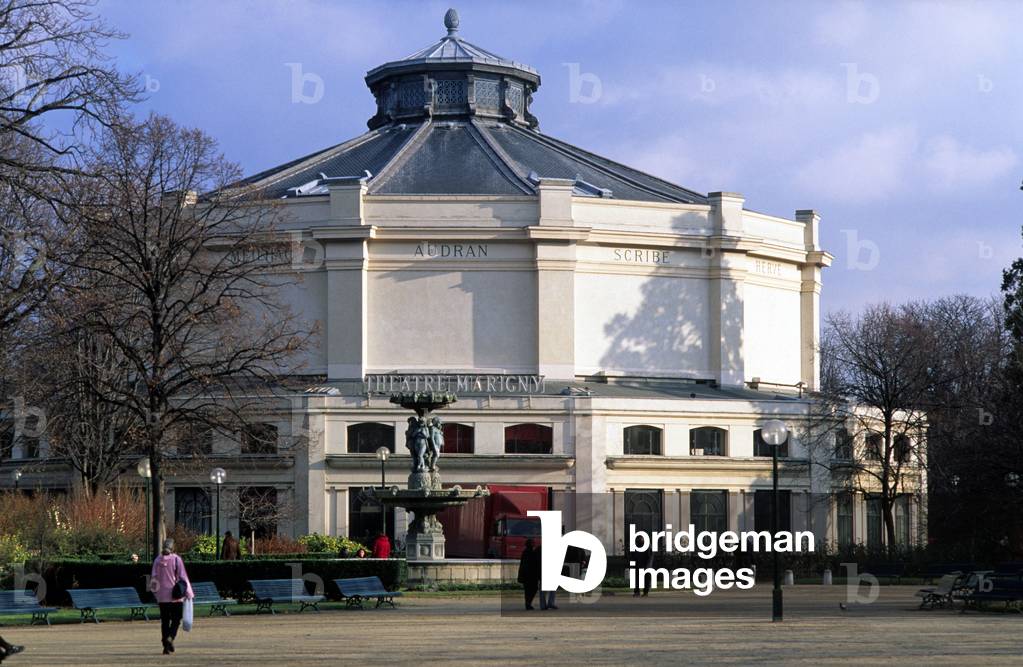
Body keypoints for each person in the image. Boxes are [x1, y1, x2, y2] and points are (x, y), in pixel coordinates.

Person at [150, 538, 194, 655]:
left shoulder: (157, 560)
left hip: (162, 597)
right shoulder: (176, 559)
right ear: (173, 548)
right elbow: (183, 577)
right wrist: (189, 593)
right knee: (176, 620)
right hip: (175, 596)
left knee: (164, 621)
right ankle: (170, 637)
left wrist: (154, 594)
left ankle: (165, 646)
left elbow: (153, 578)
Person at [517, 538, 540, 610]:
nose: (534, 544)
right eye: (533, 543)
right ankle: (528, 603)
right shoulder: (529, 552)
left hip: (528, 575)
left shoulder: (527, 552)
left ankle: (528, 603)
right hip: (530, 575)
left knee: (529, 590)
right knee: (531, 589)